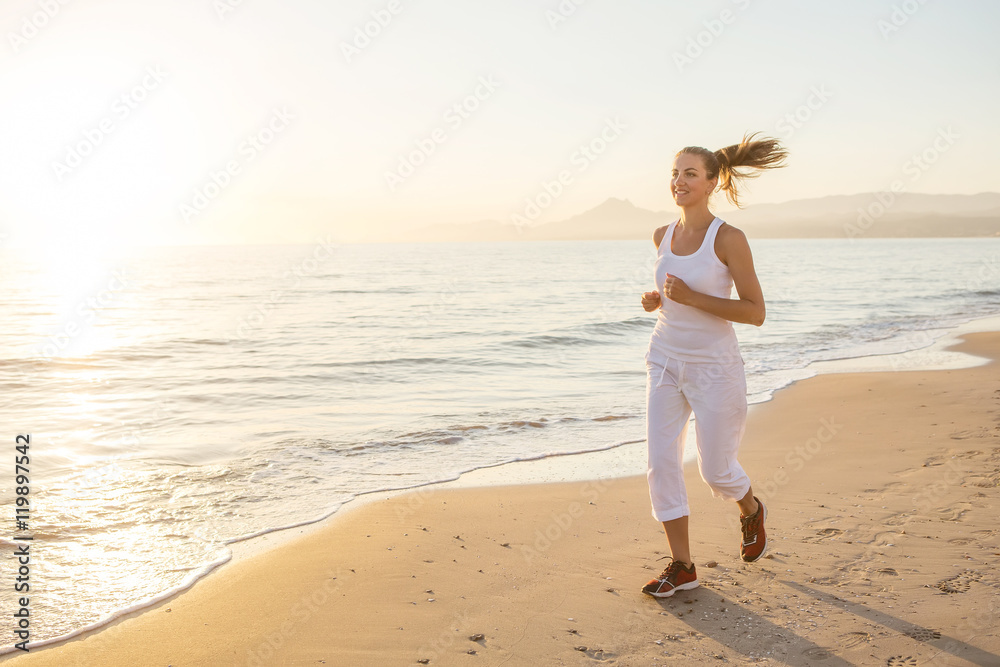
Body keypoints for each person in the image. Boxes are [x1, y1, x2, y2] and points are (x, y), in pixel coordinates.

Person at [639, 132, 787, 598]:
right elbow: (673, 297)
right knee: (661, 462)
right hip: (664, 358)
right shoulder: (662, 234)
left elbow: (755, 312)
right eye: (675, 173)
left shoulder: (729, 238)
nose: (678, 182)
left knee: (716, 472)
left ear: (711, 182)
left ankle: (750, 510)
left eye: (689, 174)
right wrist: (657, 301)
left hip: (714, 368)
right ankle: (682, 566)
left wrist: (693, 298)